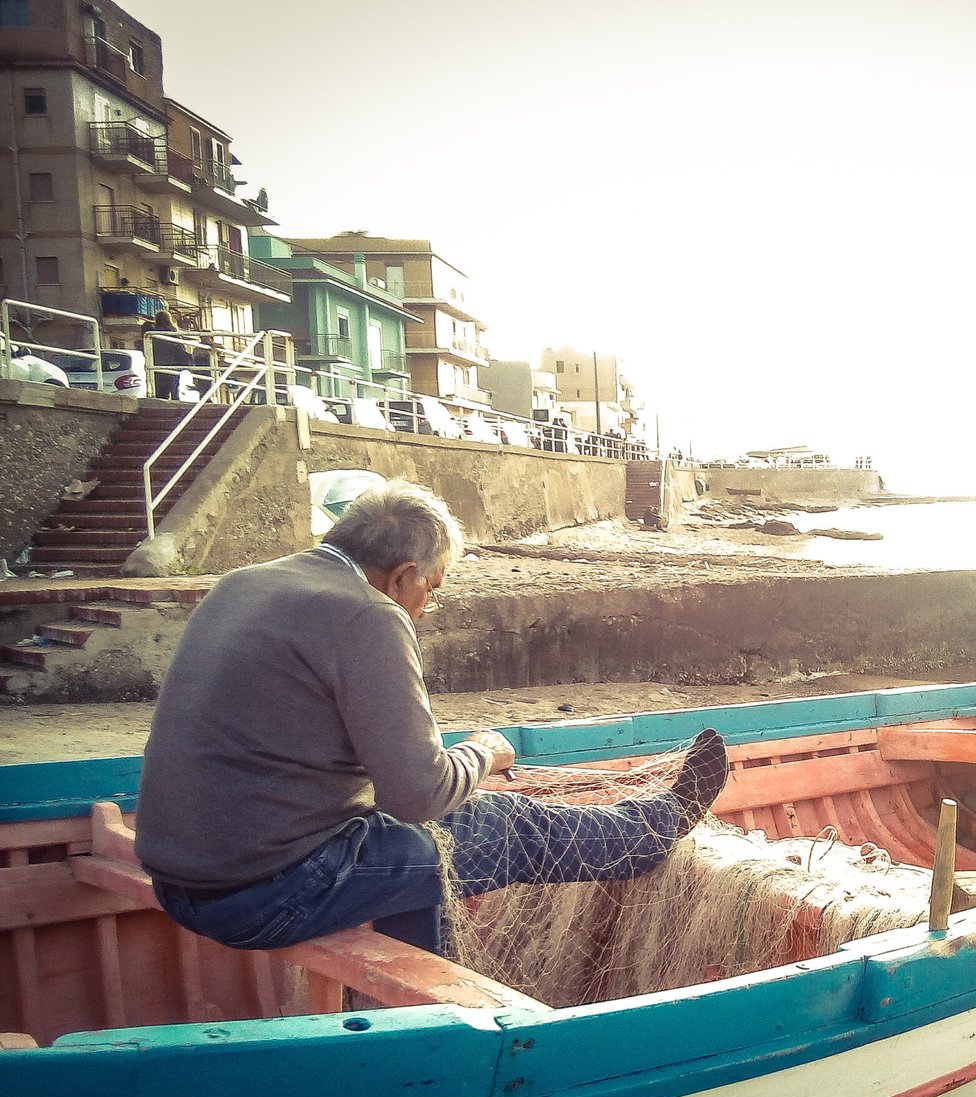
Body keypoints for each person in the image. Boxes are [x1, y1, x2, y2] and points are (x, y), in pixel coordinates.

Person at [134, 480, 727, 956]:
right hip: (267, 894)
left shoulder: (242, 584)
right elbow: (420, 795)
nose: (426, 608)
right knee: (505, 824)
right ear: (402, 575)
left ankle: (424, 1017)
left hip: (182, 883)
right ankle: (658, 828)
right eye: (432, 588)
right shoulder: (368, 613)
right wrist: (486, 751)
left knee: (424, 850)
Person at [148, 309, 192, 401]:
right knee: (174, 391)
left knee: (160, 393)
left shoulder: (152, 335)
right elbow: (180, 349)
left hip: (157, 367)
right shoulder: (173, 333)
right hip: (173, 366)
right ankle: (175, 401)